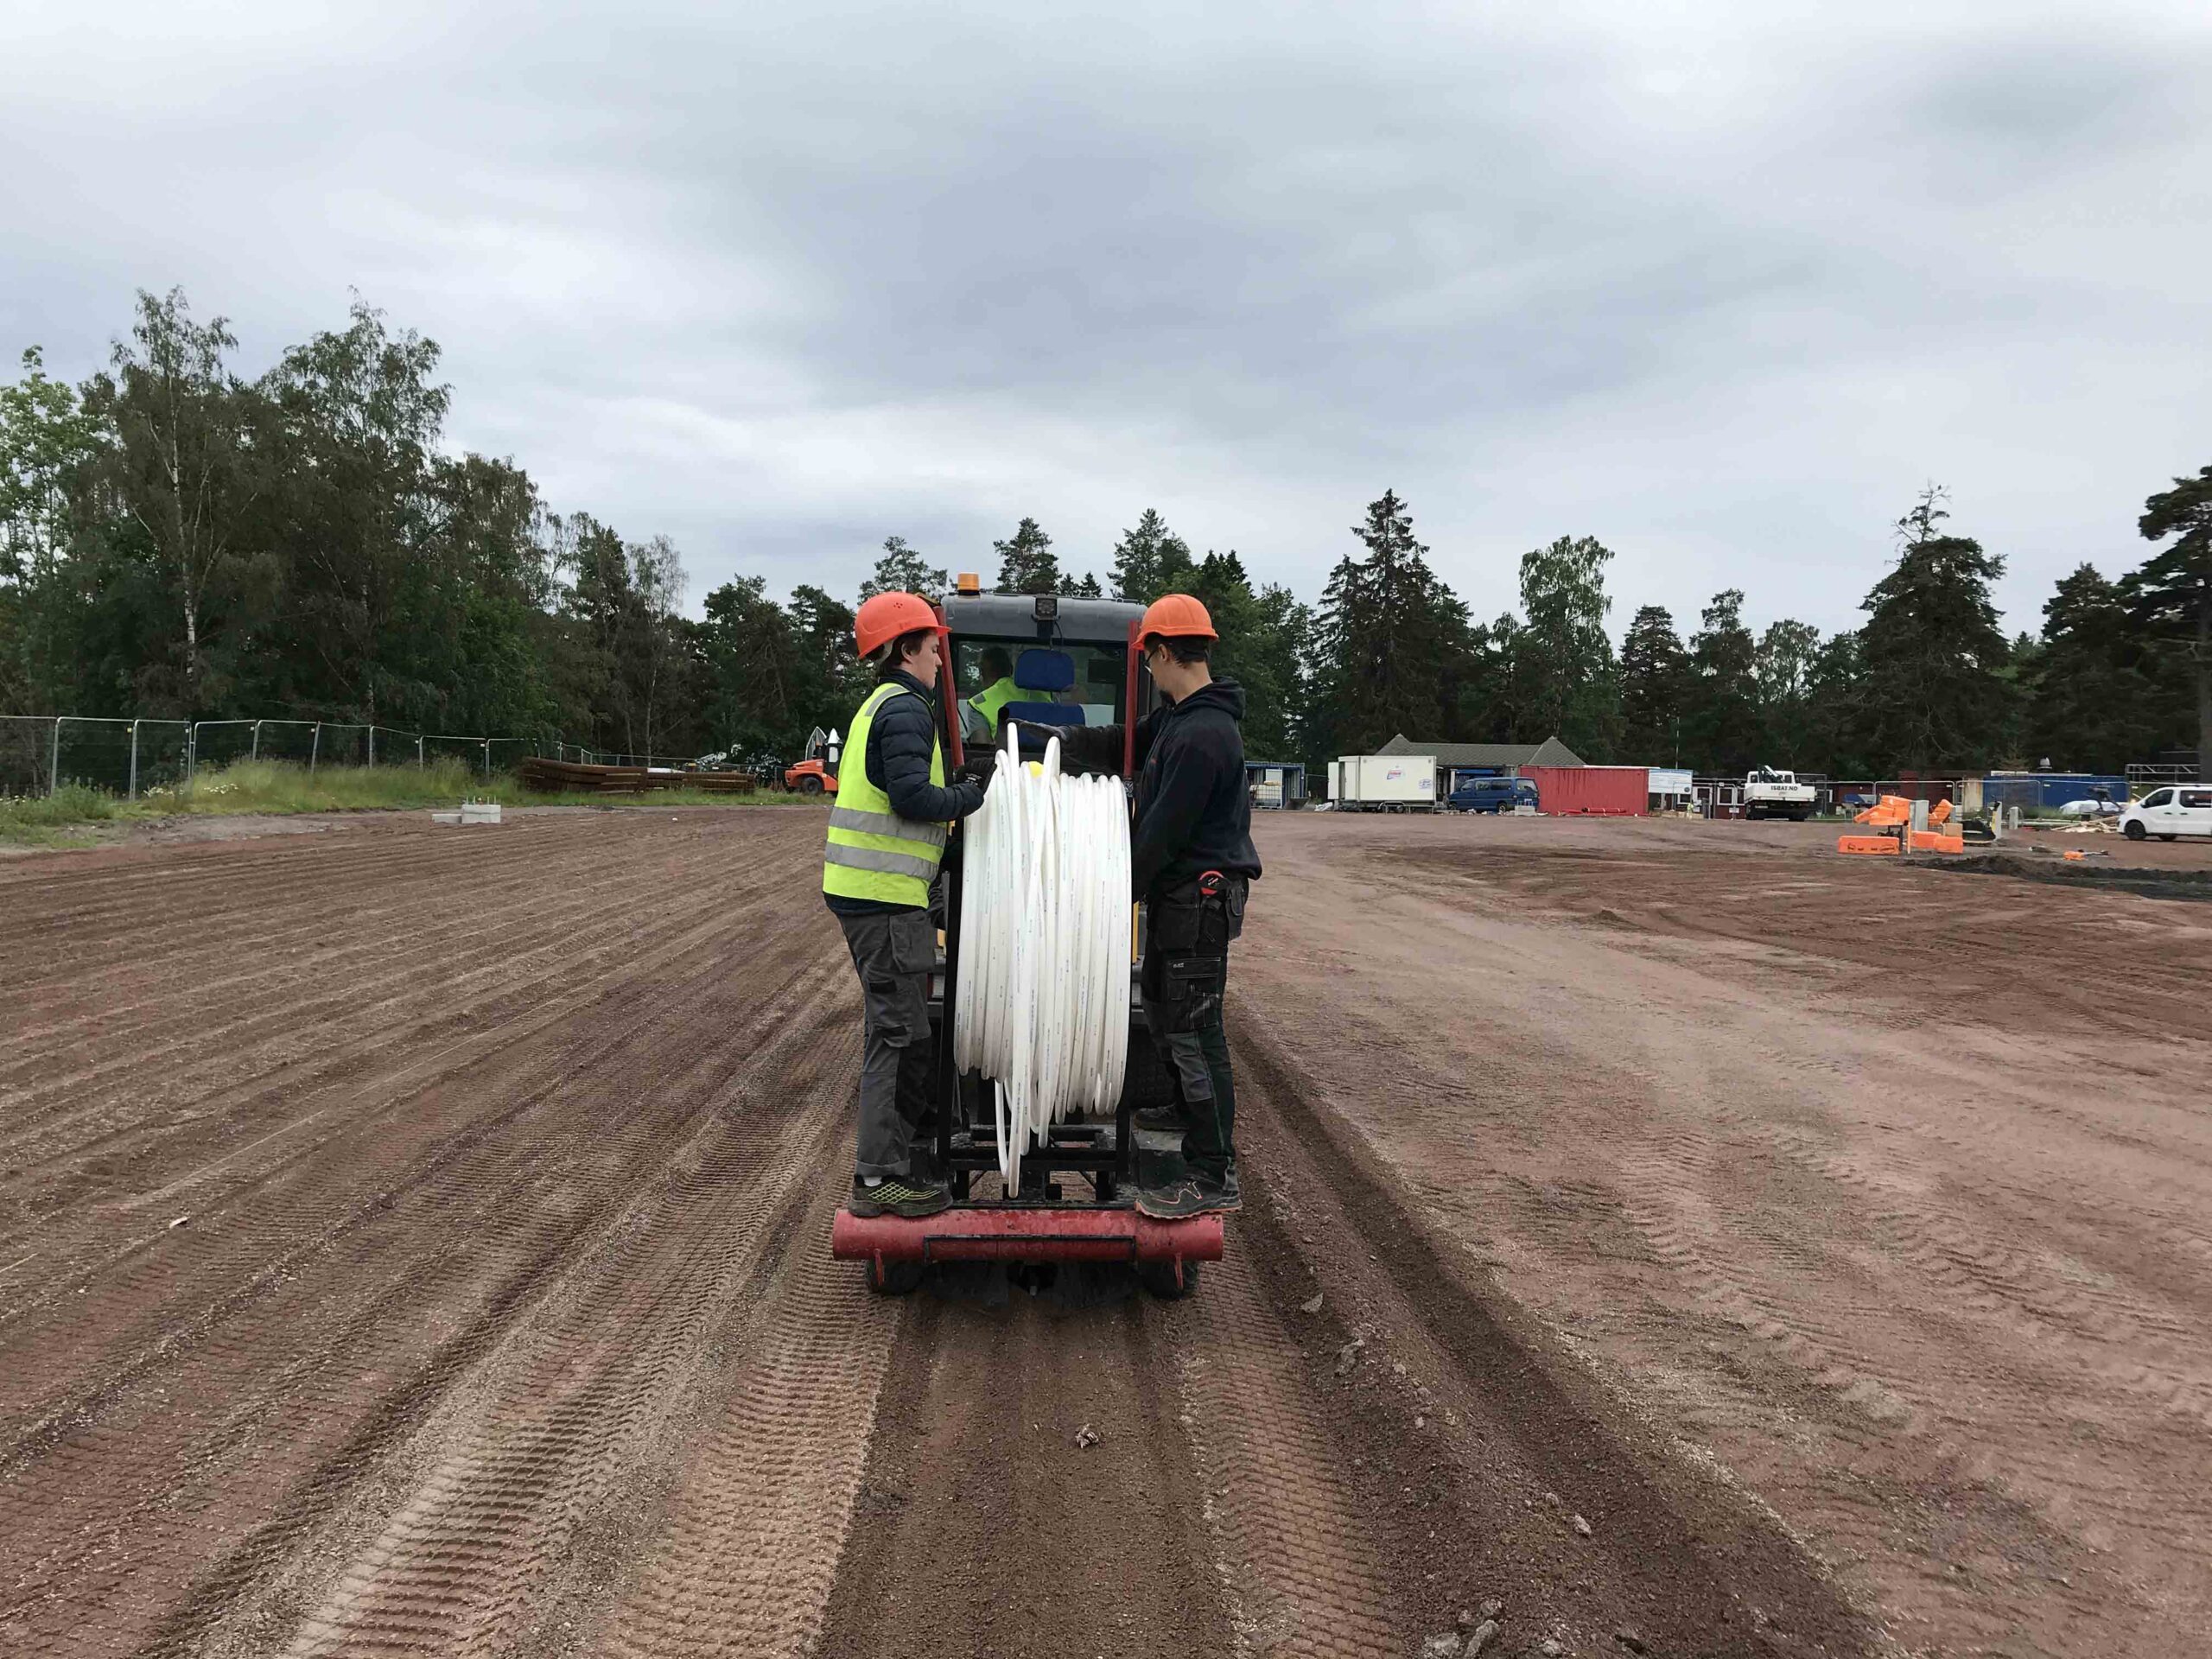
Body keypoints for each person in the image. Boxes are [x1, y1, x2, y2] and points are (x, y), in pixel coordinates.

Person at [1020, 594, 1260, 1218]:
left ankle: (1213, 1172)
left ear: (1160, 652)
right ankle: (1183, 1110)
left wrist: (1098, 899)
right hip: (1179, 900)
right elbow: (1123, 744)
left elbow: (1157, 837)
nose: (1146, 672)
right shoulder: (1180, 719)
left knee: (1194, 1034)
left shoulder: (1204, 735)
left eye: (1146, 660)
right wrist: (1057, 740)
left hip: (1197, 903)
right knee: (1160, 1006)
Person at [824, 591, 988, 1219]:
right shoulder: (907, 711)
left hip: (881, 897)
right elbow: (913, 798)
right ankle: (879, 1180)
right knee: (899, 1037)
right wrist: (970, 796)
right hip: (883, 901)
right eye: (934, 649)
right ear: (904, 650)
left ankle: (896, 1156)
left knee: (895, 1031)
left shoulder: (886, 706)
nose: (942, 661)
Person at [963, 646, 1018, 743]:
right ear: (1011, 670)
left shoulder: (978, 704)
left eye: (981, 671)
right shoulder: (1044, 695)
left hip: (1002, 757)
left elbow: (981, 747)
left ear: (983, 672)